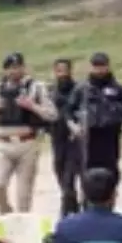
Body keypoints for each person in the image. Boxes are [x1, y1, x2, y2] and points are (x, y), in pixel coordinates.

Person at [0, 53, 58, 215]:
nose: (14, 71)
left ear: (24, 68)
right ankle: (6, 212)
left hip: (27, 143)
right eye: (11, 68)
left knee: (24, 195)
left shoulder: (36, 87)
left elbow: (52, 114)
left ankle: (22, 223)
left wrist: (32, 106)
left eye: (18, 67)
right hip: (4, 143)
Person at [67, 52, 122, 180]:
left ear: (108, 66)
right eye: (96, 66)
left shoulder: (118, 89)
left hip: (110, 134)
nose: (99, 70)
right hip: (89, 135)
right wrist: (73, 126)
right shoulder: (82, 89)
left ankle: (110, 190)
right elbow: (68, 111)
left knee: (111, 168)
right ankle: (90, 191)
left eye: (102, 66)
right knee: (88, 169)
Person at [49, 58, 84, 217]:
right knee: (59, 171)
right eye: (58, 71)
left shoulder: (79, 90)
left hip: (74, 138)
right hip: (57, 138)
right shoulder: (51, 92)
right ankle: (72, 205)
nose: (62, 74)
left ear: (70, 71)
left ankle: (67, 208)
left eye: (64, 70)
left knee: (70, 175)